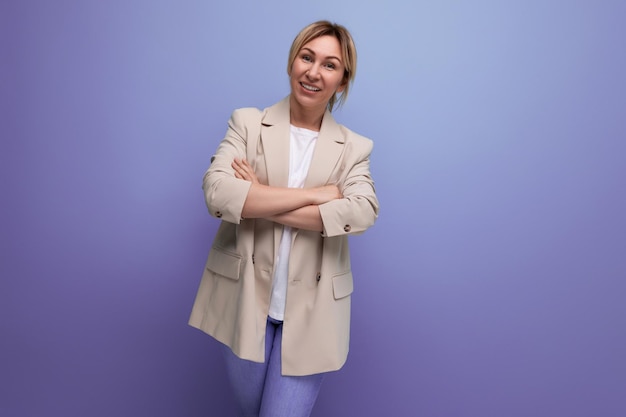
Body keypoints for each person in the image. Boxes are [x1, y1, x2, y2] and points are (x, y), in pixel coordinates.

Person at [189, 20, 379, 417]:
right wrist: (314, 196)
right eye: (306, 57)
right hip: (243, 301)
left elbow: (361, 211)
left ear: (343, 81)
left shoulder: (354, 149)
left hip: (314, 315)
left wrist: (259, 197)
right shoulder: (247, 123)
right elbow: (218, 193)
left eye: (329, 65)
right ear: (292, 62)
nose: (313, 72)